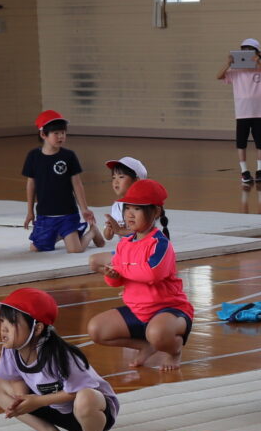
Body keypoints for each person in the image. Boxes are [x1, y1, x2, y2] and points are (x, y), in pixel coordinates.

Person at [0, 287, 118, 431]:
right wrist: (21, 398)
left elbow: (78, 391)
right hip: (55, 408)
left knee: (85, 397)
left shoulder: (60, 355)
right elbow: (15, 377)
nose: (3, 328)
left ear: (37, 328)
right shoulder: (11, 351)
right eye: (1, 321)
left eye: (12, 323)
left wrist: (36, 401)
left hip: (93, 411)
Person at [88, 180, 192, 370]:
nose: (129, 214)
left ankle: (174, 350)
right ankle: (146, 346)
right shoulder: (125, 243)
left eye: (137, 209)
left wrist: (119, 267)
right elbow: (114, 282)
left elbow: (151, 274)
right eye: (127, 208)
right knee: (96, 330)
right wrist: (112, 274)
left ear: (156, 212)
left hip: (169, 311)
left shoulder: (160, 243)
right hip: (138, 311)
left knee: (158, 333)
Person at [23, 110, 95, 254]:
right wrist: (30, 212)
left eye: (63, 133)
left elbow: (77, 184)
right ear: (43, 135)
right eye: (56, 133)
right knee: (35, 248)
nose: (61, 136)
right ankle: (62, 235)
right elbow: (31, 184)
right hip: (45, 216)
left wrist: (84, 208)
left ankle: (92, 232)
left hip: (67, 214)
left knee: (75, 249)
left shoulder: (69, 156)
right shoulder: (33, 157)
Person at [217, 39, 261, 187]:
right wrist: (228, 64)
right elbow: (219, 76)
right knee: (241, 143)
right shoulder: (235, 72)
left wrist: (259, 63)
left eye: (251, 51)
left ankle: (260, 171)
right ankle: (244, 172)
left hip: (258, 113)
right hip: (242, 113)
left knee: (260, 143)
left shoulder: (260, 71)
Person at [90, 155, 148, 273]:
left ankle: (130, 280)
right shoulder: (117, 206)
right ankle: (126, 279)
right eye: (113, 177)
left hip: (143, 254)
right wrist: (110, 229)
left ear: (136, 181)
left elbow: (144, 233)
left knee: (130, 268)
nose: (116, 181)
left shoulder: (145, 205)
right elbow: (108, 237)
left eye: (121, 177)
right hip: (125, 252)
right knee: (93, 262)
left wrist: (120, 231)